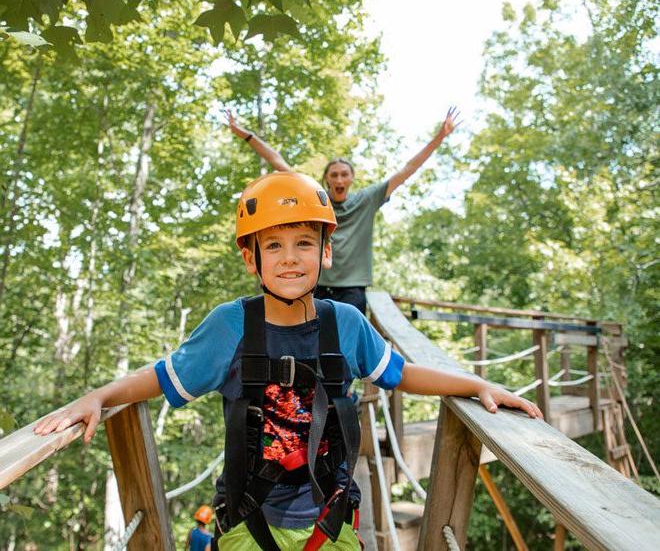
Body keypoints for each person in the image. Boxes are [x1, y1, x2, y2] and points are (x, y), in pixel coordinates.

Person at [34, 172, 541, 551]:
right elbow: (163, 376)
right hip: (250, 523)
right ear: (251, 258)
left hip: (332, 519)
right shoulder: (231, 327)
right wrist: (98, 396)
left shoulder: (345, 322)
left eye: (304, 243)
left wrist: (474, 385)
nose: (290, 257)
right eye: (273, 245)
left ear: (326, 253)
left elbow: (401, 374)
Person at [226, 107, 461, 313]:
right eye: (334, 174)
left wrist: (440, 137)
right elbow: (277, 161)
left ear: (351, 178)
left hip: (352, 288)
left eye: (344, 174)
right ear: (327, 179)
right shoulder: (315, 199)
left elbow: (408, 169)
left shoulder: (366, 200)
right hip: (315, 284)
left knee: (347, 346)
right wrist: (246, 134)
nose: (339, 179)